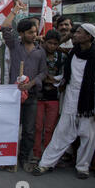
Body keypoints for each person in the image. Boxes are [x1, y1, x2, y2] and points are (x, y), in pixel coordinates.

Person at [33, 24, 95, 179]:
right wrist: (54, 80)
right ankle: (46, 164)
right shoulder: (73, 54)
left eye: (79, 32)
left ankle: (82, 167)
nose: (75, 35)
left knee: (88, 137)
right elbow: (66, 78)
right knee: (61, 134)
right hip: (70, 100)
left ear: (89, 37)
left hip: (89, 105)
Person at [1, 1, 48, 173]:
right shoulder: (14, 45)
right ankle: (9, 158)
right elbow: (5, 27)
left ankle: (24, 158)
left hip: (32, 95)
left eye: (35, 32)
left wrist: (31, 83)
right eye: (29, 32)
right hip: (14, 96)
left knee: (28, 130)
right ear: (20, 33)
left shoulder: (40, 51)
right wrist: (14, 11)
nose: (33, 35)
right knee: (12, 128)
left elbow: (43, 72)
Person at [32, 30, 66, 163]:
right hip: (39, 96)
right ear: (44, 42)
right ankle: (36, 153)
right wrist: (47, 79)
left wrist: (53, 79)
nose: (52, 46)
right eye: (49, 43)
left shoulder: (62, 57)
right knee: (38, 127)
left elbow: (64, 76)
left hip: (54, 97)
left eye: (55, 44)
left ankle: (48, 154)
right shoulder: (38, 54)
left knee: (50, 128)